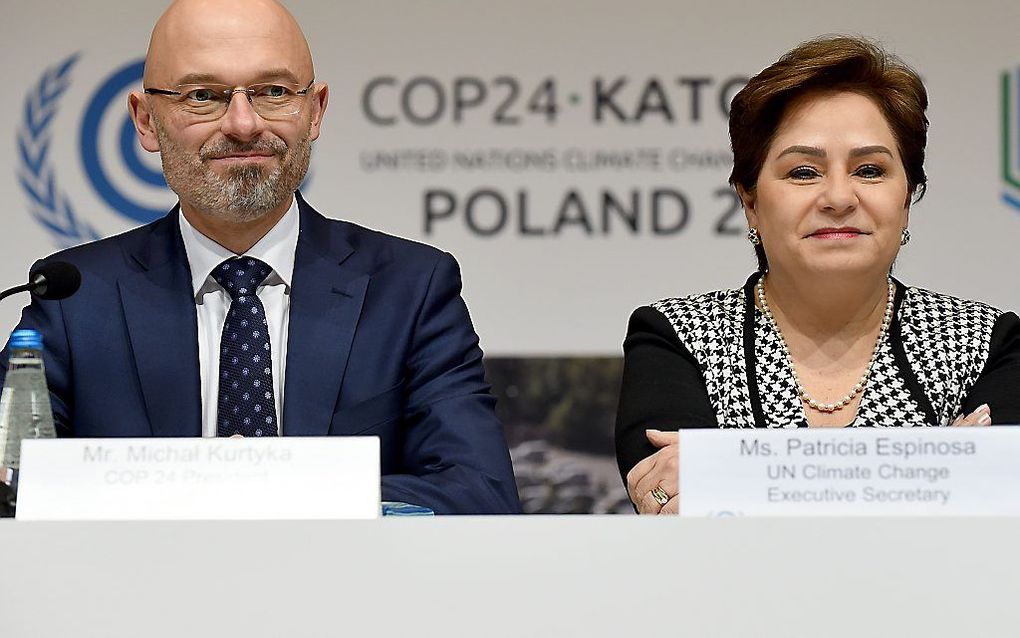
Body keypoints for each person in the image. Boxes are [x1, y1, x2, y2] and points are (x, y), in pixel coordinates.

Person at [0, 0, 520, 515]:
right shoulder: (74, 299)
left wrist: (266, 490)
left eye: (273, 92)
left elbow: (479, 493)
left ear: (315, 111)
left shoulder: (410, 289)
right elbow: (13, 490)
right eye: (204, 96)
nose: (244, 124)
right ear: (145, 121)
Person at [615, 36, 1020, 514]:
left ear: (907, 198)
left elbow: (1000, 507)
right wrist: (936, 470)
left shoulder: (988, 344)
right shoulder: (675, 337)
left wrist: (736, 478)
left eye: (869, 170)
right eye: (804, 172)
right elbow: (678, 504)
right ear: (749, 202)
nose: (838, 197)